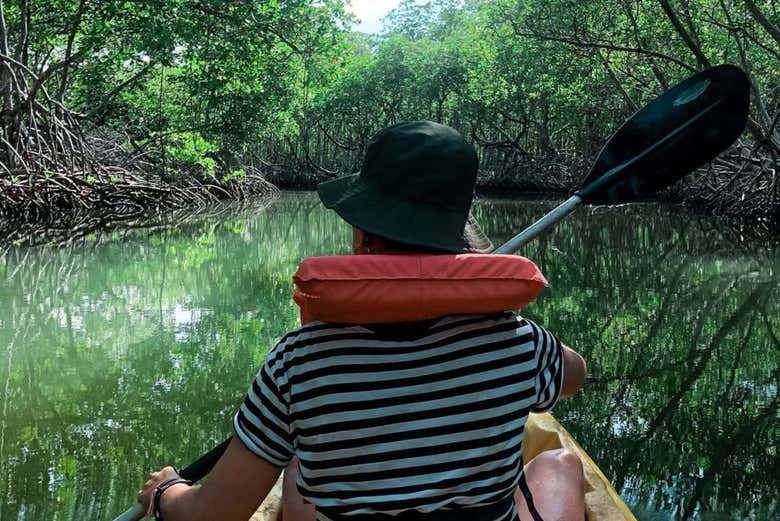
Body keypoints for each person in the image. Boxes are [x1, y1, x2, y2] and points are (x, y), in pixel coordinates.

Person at [138, 121, 587, 521]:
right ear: (459, 234)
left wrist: (167, 491)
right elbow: (574, 377)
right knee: (559, 464)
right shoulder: (521, 342)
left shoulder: (299, 360)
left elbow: (211, 515)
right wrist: (493, 304)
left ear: (363, 235)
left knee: (297, 467)